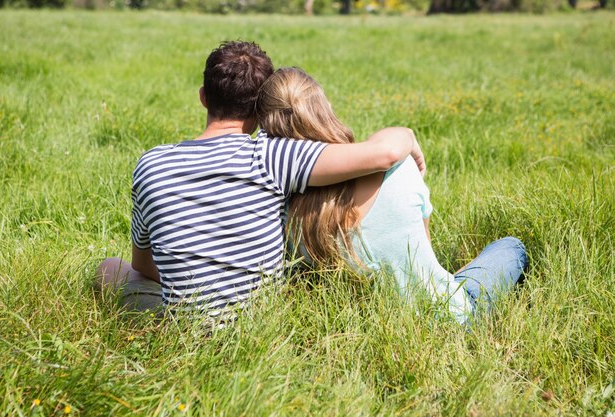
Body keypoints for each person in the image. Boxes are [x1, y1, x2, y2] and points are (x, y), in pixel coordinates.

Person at [94, 41, 427, 325]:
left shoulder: (151, 162)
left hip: (183, 327)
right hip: (258, 323)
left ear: (203, 98)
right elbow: (384, 154)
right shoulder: (273, 156)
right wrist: (409, 136)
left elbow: (142, 264)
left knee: (109, 268)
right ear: (259, 110)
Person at [256, 67, 528, 324]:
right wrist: (406, 136)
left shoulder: (283, 208)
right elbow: (426, 258)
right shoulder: (399, 169)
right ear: (324, 110)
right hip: (450, 317)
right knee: (511, 247)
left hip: (363, 327)